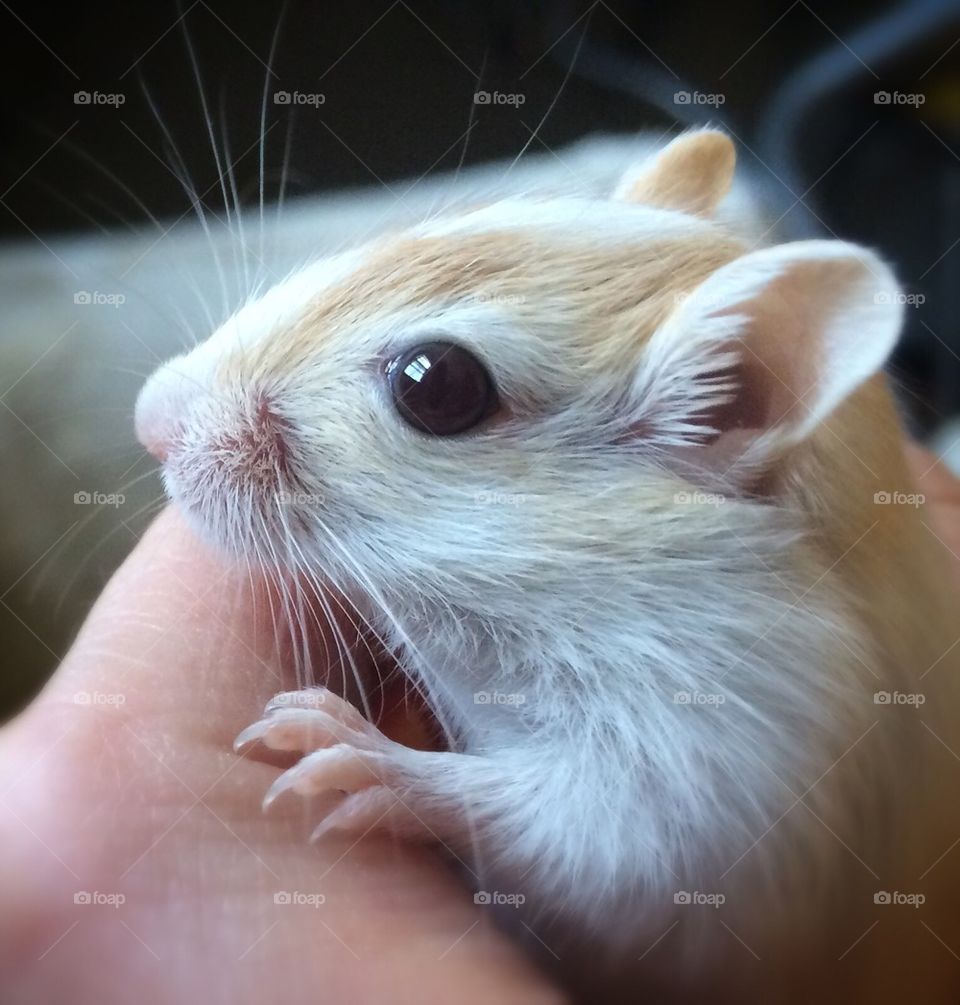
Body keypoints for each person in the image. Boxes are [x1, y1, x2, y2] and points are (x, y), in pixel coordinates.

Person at [0, 447, 957, 1003]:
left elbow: (689, 876)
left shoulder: (765, 647)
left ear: (724, 414)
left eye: (434, 388)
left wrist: (445, 792)